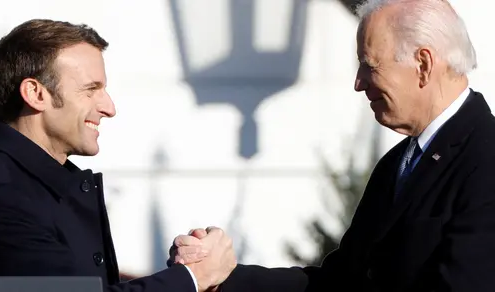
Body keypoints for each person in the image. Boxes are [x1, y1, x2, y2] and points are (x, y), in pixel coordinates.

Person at [170, 0, 495, 291]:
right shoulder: (399, 163)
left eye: (370, 65)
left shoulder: (485, 157)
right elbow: (339, 282)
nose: (359, 83)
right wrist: (222, 277)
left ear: (423, 65)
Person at [0, 19, 236, 292]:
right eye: (91, 89)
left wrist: (190, 271)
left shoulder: (43, 188)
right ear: (36, 94)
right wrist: (192, 279)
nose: (109, 108)